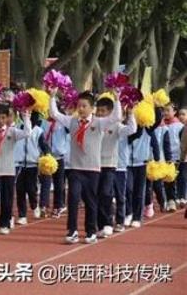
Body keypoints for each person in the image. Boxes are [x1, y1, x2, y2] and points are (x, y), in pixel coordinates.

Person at [49, 89, 122, 244]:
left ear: (91, 108)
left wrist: (117, 99)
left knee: (90, 201)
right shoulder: (72, 121)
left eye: (84, 106)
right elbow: (55, 114)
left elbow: (116, 117)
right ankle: (72, 231)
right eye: (79, 106)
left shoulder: (99, 122)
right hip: (75, 168)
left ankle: (90, 231)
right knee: (73, 197)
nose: (80, 109)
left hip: (92, 169)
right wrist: (52, 96)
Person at [0, 104, 30, 236]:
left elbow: (27, 133)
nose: (0, 121)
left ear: (7, 118)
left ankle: (4, 223)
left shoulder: (12, 132)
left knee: (7, 198)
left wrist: (26, 118)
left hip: (8, 170)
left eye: (3, 117)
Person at [95, 97, 136, 237]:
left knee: (106, 194)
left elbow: (132, 129)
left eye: (103, 111)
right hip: (93, 165)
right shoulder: (93, 124)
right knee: (96, 196)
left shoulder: (116, 126)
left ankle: (108, 223)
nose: (100, 113)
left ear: (111, 112)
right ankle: (99, 225)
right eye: (98, 110)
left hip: (109, 165)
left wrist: (130, 114)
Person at [14, 111, 49, 225]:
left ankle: (34, 205)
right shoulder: (18, 128)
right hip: (19, 165)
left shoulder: (38, 131)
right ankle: (22, 215)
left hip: (33, 164)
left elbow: (44, 145)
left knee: (31, 189)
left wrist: (47, 155)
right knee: (20, 190)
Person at [39, 114, 68, 218]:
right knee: (45, 183)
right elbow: (41, 138)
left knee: (59, 183)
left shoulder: (63, 123)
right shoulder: (43, 122)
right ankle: (43, 206)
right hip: (47, 157)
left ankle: (57, 206)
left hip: (59, 157)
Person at [125, 122, 152, 228]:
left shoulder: (147, 127)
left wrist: (157, 105)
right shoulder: (125, 126)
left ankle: (136, 217)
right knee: (128, 189)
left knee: (139, 191)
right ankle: (128, 213)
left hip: (141, 162)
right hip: (126, 163)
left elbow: (157, 119)